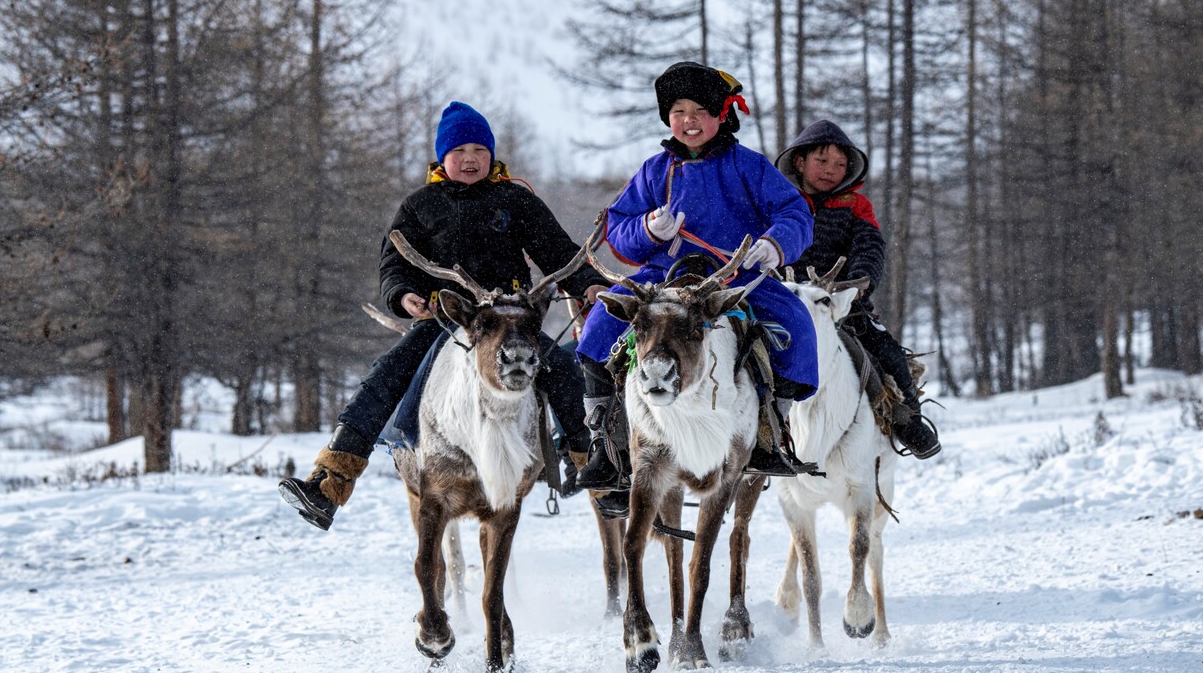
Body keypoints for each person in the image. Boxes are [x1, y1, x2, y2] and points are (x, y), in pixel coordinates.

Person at [279, 101, 607, 530]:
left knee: (563, 368)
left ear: (492, 155)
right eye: (459, 151)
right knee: (388, 373)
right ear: (441, 157)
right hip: (444, 318)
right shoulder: (419, 206)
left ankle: (596, 471)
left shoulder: (515, 200)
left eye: (479, 150)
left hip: (507, 320)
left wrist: (587, 285)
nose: (470, 159)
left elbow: (557, 252)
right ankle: (330, 481)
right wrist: (404, 297)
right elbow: (394, 265)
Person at [573, 61, 819, 497]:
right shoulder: (654, 171)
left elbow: (794, 212)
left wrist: (775, 245)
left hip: (734, 277)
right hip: (661, 279)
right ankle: (603, 444)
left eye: (699, 111)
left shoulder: (749, 166)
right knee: (597, 327)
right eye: (678, 111)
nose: (688, 121)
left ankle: (769, 435)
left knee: (795, 322)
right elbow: (619, 233)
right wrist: (648, 229)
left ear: (723, 114)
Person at [773, 119, 940, 458]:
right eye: (822, 161)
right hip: (786, 306)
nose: (830, 170)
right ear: (800, 162)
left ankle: (907, 419)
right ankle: (758, 432)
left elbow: (870, 247)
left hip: (845, 307)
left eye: (840, 164)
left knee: (891, 356)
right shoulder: (782, 201)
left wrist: (860, 282)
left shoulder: (856, 205)